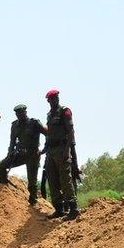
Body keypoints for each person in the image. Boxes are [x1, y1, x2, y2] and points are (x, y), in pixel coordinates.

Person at [0, 104, 46, 205]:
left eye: (21, 112)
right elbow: (12, 142)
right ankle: (6, 190)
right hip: (19, 155)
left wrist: (44, 150)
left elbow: (48, 134)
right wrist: (9, 154)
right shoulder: (14, 125)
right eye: (17, 113)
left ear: (25, 112)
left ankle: (33, 202)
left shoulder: (34, 123)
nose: (19, 115)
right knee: (0, 165)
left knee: (32, 184)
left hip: (33, 155)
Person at [43, 89, 79, 220]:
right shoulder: (49, 115)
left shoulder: (65, 111)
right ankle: (59, 209)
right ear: (48, 101)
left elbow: (71, 132)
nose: (54, 100)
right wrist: (44, 150)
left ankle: (74, 209)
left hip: (62, 149)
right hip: (51, 150)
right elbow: (49, 134)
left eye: (56, 98)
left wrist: (66, 150)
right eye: (51, 99)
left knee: (65, 180)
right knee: (52, 180)